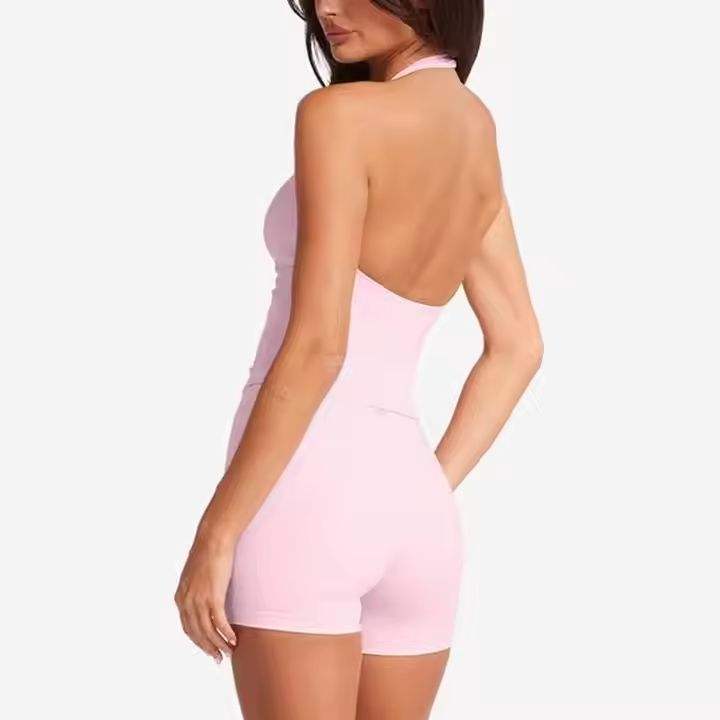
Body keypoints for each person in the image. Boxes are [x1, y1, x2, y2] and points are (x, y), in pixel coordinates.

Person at [175, 1, 543, 717]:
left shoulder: (337, 117)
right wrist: (421, 491)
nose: (328, 8)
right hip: (415, 511)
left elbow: (318, 347)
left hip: (301, 496)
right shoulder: (475, 128)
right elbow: (519, 342)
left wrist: (217, 533)